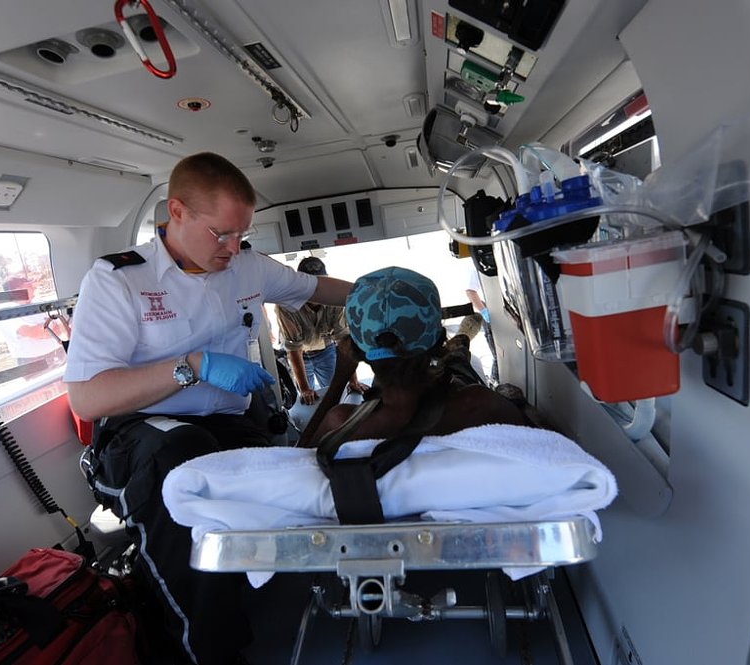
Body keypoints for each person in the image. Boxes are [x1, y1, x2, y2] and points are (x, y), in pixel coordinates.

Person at [64, 152, 353, 665]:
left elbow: (318, 290)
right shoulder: (118, 280)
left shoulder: (247, 269)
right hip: (139, 435)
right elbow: (87, 398)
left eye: (240, 234)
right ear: (176, 212)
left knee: (292, 470)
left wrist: (380, 292)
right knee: (182, 461)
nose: (232, 247)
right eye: (220, 233)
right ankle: (207, 652)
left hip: (229, 423)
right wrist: (192, 365)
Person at [298, 266, 528, 449]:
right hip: (442, 377)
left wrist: (339, 380)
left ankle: (461, 341)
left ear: (356, 351)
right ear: (437, 338)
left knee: (456, 362)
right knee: (457, 364)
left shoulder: (341, 423)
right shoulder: (480, 404)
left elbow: (296, 460)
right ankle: (460, 341)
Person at [274, 256, 366, 405]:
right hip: (300, 356)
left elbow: (343, 340)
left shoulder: (336, 300)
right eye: (309, 285)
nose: (315, 290)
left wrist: (353, 380)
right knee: (306, 399)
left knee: (337, 394)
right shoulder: (285, 306)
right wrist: (304, 389)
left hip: (326, 351)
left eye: (319, 285)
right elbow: (294, 350)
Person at [465, 263, 499, 385]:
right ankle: (496, 382)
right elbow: (470, 291)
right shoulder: (479, 265)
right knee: (498, 355)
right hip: (491, 312)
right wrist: (484, 311)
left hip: (505, 309)